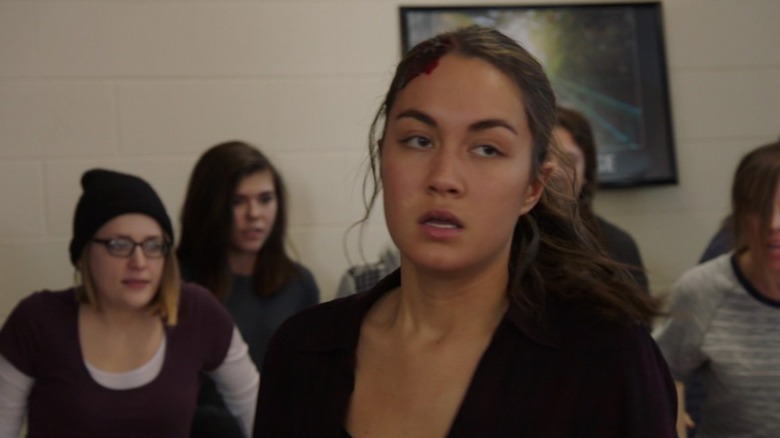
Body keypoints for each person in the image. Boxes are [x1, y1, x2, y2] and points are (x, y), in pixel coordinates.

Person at [254, 26, 677, 437]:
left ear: (533, 187)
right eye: (419, 140)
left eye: (487, 149)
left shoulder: (605, 358)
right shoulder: (303, 352)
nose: (444, 178)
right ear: (383, 157)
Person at [0, 169, 259, 438]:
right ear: (84, 255)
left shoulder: (198, 313)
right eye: (119, 244)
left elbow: (258, 411)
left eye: (153, 245)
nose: (139, 262)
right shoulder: (37, 321)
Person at [177, 141, 320, 435]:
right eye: (237, 201)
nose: (254, 214)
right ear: (209, 206)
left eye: (265, 199)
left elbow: (308, 385)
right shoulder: (175, 282)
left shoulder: (299, 284)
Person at [654, 137, 780, 437]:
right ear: (740, 215)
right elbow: (657, 375)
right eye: (760, 209)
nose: (774, 223)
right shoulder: (704, 291)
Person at [553, 105, 649, 292]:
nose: (554, 170)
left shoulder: (617, 246)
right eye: (543, 157)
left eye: (568, 160)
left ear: (586, 174)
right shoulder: (502, 239)